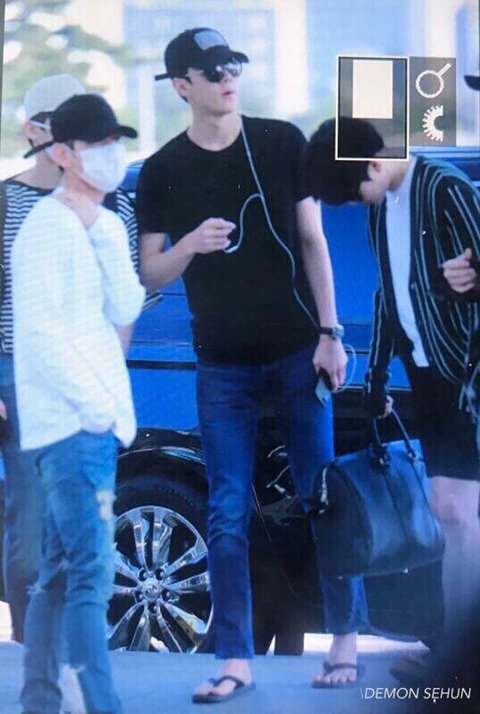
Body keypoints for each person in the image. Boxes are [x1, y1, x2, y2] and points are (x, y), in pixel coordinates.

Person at [137, 28, 369, 702]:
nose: (227, 79)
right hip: (223, 367)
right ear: (182, 85)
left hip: (297, 352)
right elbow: (150, 271)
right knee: (227, 508)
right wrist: (190, 244)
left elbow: (314, 240)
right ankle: (235, 657)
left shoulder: (279, 142)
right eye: (212, 72)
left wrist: (331, 334)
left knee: (324, 496)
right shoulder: (162, 169)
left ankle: (346, 639)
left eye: (232, 66)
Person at [304, 116, 480, 679]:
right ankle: (454, 646)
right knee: (449, 513)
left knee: (460, 513)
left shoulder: (446, 188)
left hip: (468, 377)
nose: (359, 203)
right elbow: (389, 294)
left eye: (356, 191)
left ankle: (459, 653)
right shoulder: (384, 207)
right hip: (427, 378)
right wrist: (376, 378)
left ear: (375, 164)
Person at [12, 93, 145, 714]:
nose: (111, 155)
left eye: (116, 143)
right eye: (98, 145)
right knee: (92, 572)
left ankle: (41, 700)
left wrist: (102, 231)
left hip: (93, 426)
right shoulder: (43, 228)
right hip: (71, 427)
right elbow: (40, 335)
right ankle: (99, 703)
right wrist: (95, 409)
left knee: (62, 573)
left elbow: (127, 305)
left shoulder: (104, 224)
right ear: (63, 153)